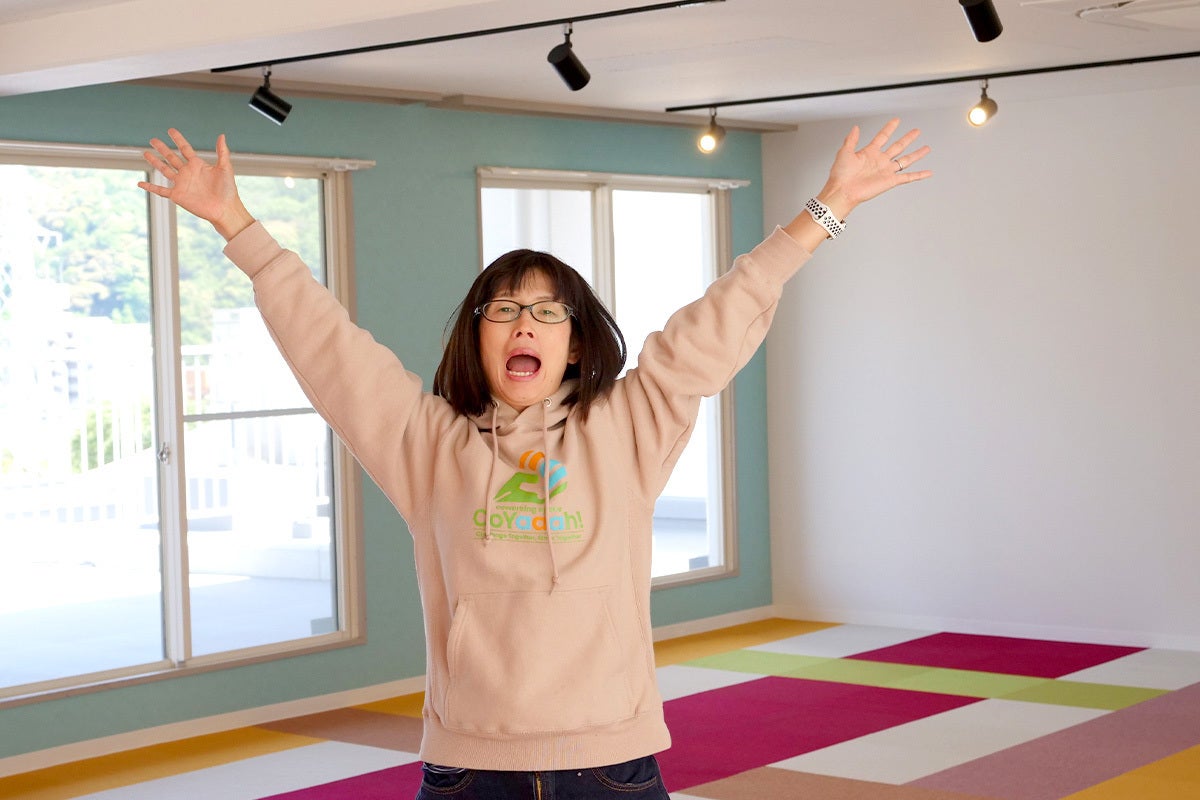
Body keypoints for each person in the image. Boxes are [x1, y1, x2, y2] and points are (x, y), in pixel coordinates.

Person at [138, 119, 930, 800]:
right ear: (476, 335)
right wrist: (234, 222)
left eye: (549, 312)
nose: (525, 324)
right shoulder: (428, 444)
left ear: (576, 343)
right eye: (505, 309)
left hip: (610, 765)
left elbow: (721, 316)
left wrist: (829, 207)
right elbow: (331, 349)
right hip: (468, 769)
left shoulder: (629, 426)